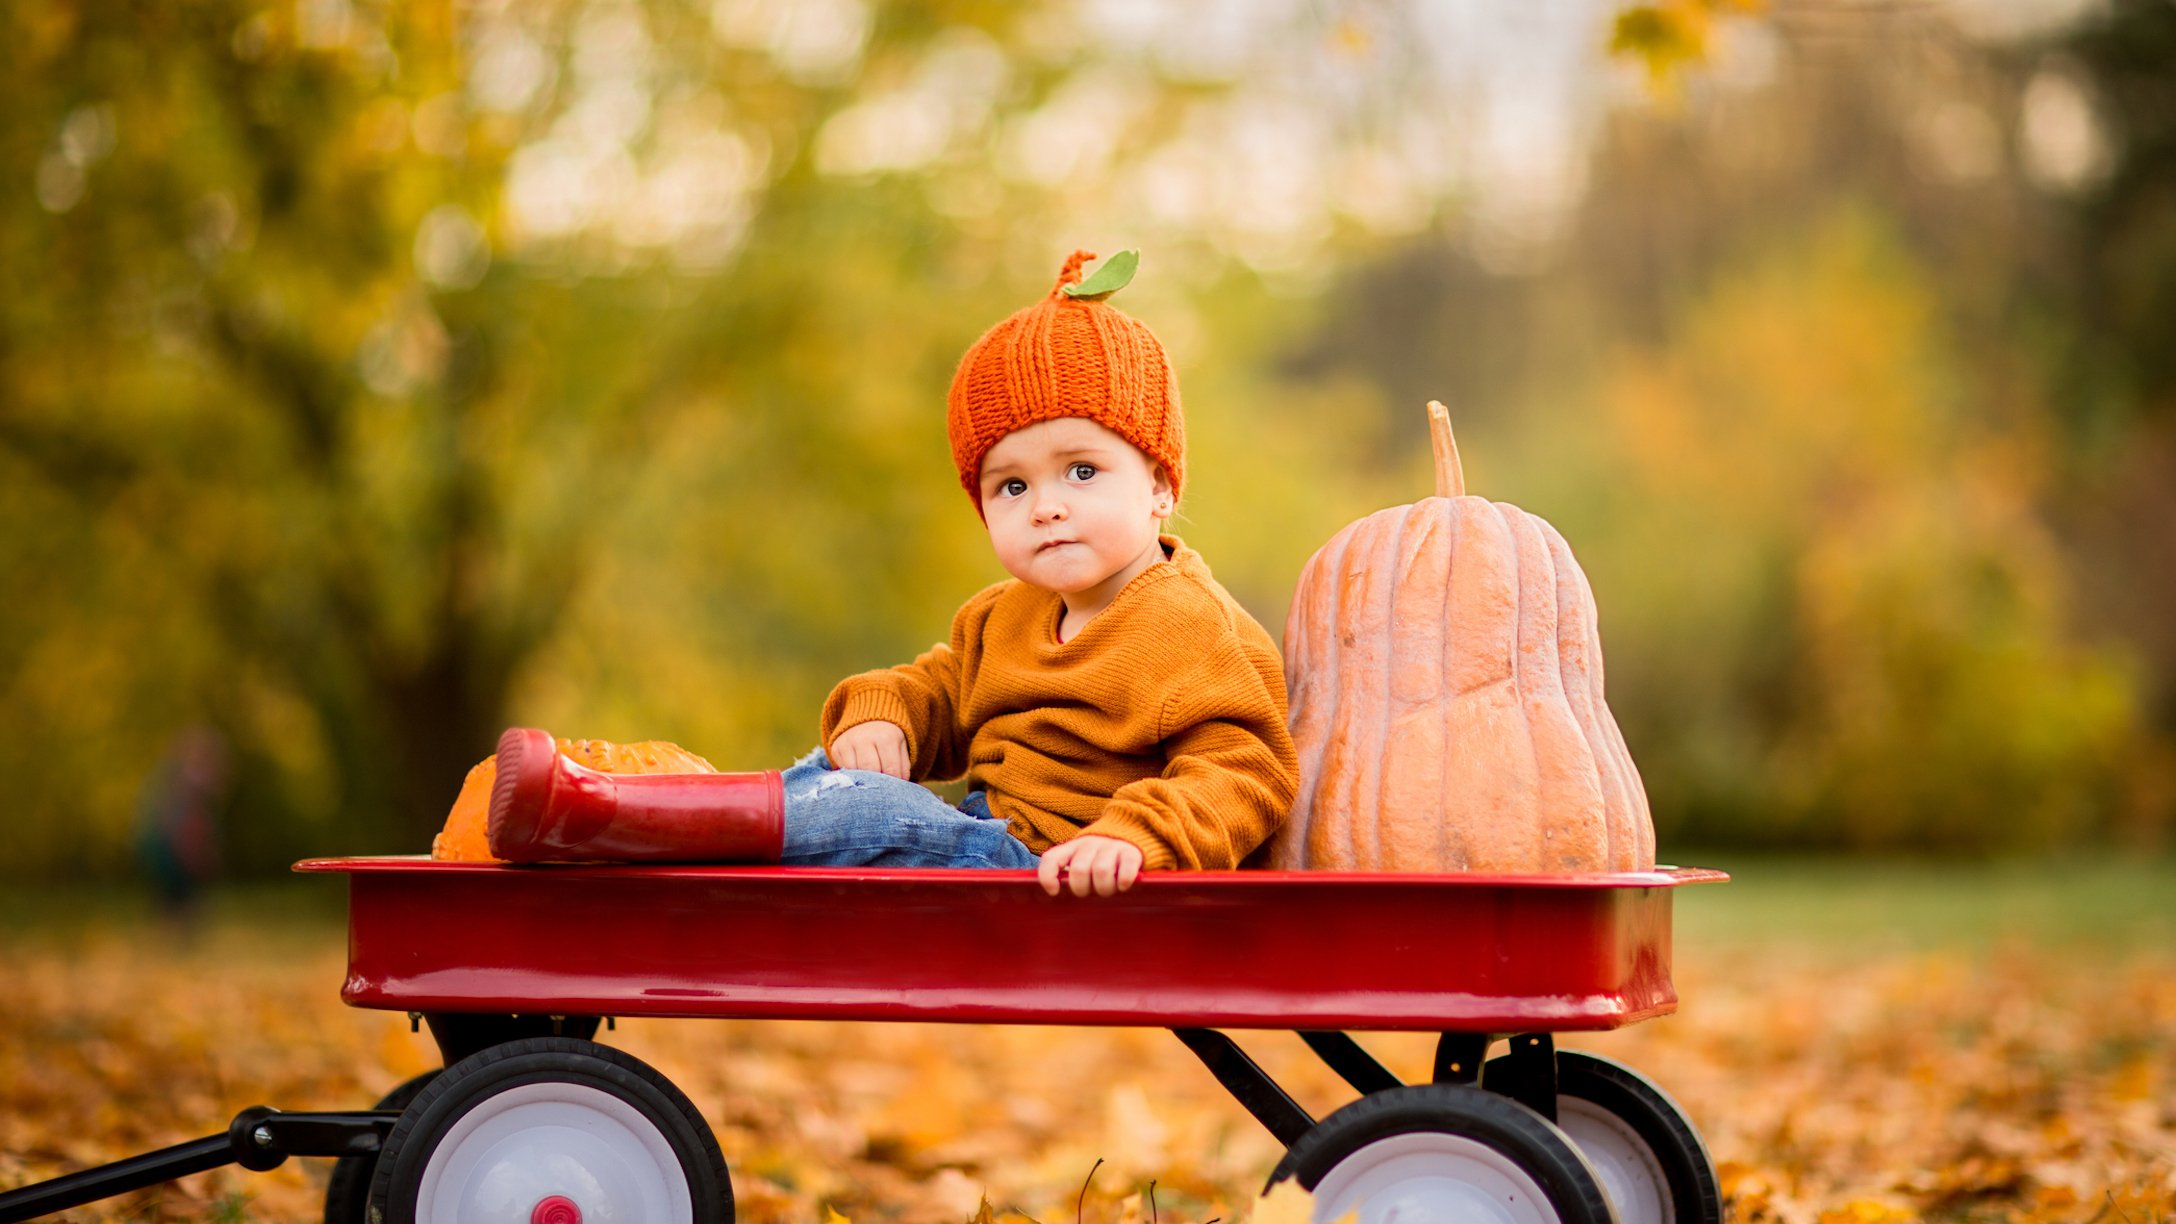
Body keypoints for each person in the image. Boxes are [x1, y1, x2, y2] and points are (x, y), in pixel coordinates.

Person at [488, 249, 1299, 896]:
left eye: (1081, 471)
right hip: (979, 835)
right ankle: (628, 815)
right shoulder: (1003, 616)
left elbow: (1247, 767)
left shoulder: (1191, 625)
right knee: (832, 774)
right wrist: (885, 717)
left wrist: (1136, 836)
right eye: (1011, 486)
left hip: (1047, 873)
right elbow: (939, 691)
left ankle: (624, 822)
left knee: (870, 810)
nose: (1046, 506)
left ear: (1159, 483)